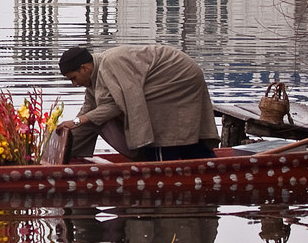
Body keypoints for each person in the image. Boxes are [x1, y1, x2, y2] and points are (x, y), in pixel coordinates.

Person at [57, 44, 219, 161]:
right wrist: (61, 145)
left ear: (84, 68)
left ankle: (159, 162)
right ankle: (207, 161)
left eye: (73, 78)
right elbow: (89, 109)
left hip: (179, 77)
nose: (74, 84)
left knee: (162, 132)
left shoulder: (110, 64)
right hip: (165, 78)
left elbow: (118, 105)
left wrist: (78, 121)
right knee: (178, 135)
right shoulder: (94, 76)